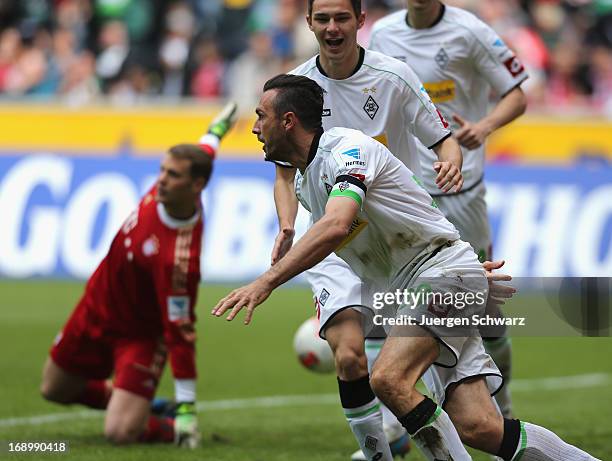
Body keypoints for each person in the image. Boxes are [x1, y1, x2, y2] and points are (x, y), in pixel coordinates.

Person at [212, 74, 599, 461]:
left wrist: (266, 282)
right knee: (480, 426)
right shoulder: (304, 181)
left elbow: (336, 225)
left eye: (261, 115)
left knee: (388, 379)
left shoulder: (348, 149)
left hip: (439, 275)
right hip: (431, 284)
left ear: (288, 120)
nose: (255, 126)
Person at [271, 0, 464, 456]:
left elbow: (444, 139)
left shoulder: (393, 77)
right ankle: (380, 451)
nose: (332, 27)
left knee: (412, 368)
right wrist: (285, 225)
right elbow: (283, 172)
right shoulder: (297, 89)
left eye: (342, 18)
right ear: (310, 24)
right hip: (332, 237)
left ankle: (408, 431)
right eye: (323, 19)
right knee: (350, 354)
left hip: (398, 238)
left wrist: (451, 163)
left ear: (360, 21)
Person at [39, 103, 237, 447]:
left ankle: (174, 427)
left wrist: (188, 404)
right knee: (54, 389)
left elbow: (180, 333)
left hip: (140, 333)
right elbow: (205, 152)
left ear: (196, 186)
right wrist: (215, 132)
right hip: (96, 306)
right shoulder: (168, 192)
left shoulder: (179, 260)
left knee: (120, 433)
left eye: (172, 175)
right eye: (162, 170)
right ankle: (141, 404)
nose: (161, 179)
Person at [368, 0, 529, 420]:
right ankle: (396, 421)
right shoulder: (384, 34)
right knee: (394, 298)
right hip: (405, 186)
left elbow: (517, 94)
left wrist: (486, 125)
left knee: (484, 304)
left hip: (462, 183)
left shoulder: (469, 31)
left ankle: (502, 403)